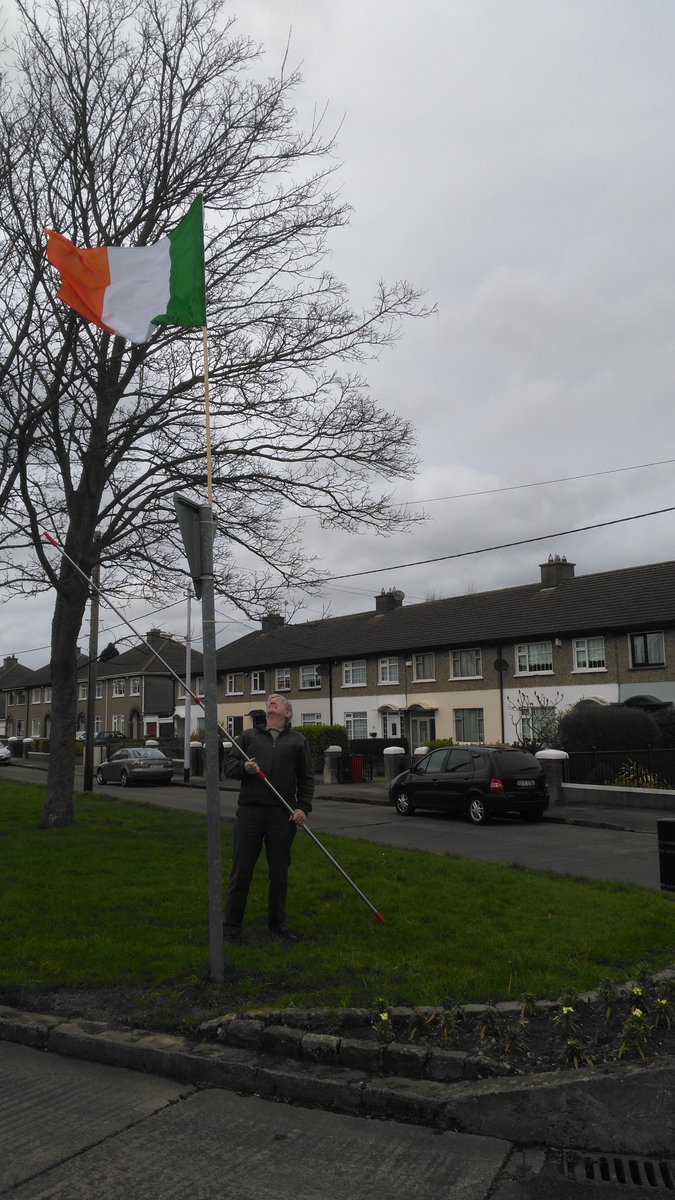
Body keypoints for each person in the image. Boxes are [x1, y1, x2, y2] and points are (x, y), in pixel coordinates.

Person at [223, 694, 314, 941]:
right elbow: (228, 766)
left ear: (288, 713)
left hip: (282, 815)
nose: (272, 700)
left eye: (279, 700)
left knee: (279, 873)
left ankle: (278, 927)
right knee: (241, 870)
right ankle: (230, 928)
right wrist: (244, 768)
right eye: (270, 700)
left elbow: (307, 778)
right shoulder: (249, 737)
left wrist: (303, 808)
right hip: (250, 813)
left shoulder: (298, 741)